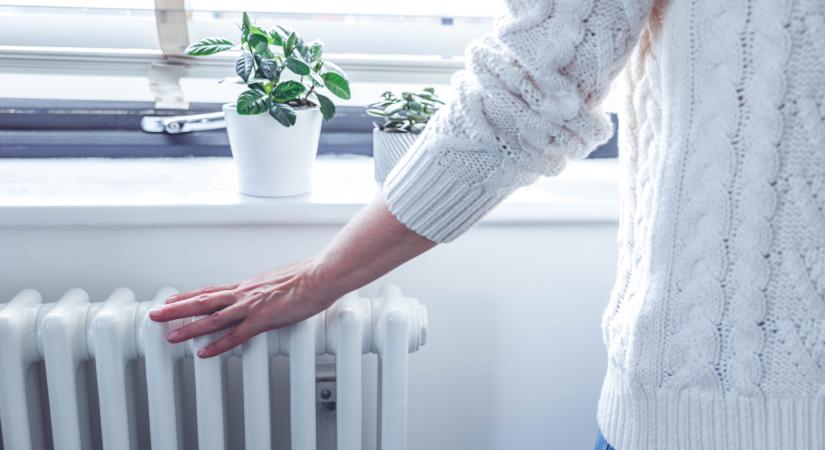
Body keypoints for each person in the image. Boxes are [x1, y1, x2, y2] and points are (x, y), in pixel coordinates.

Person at [150, 0, 825, 447]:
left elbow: (527, 90)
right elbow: (532, 84)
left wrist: (323, 276)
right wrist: (324, 277)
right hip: (718, 409)